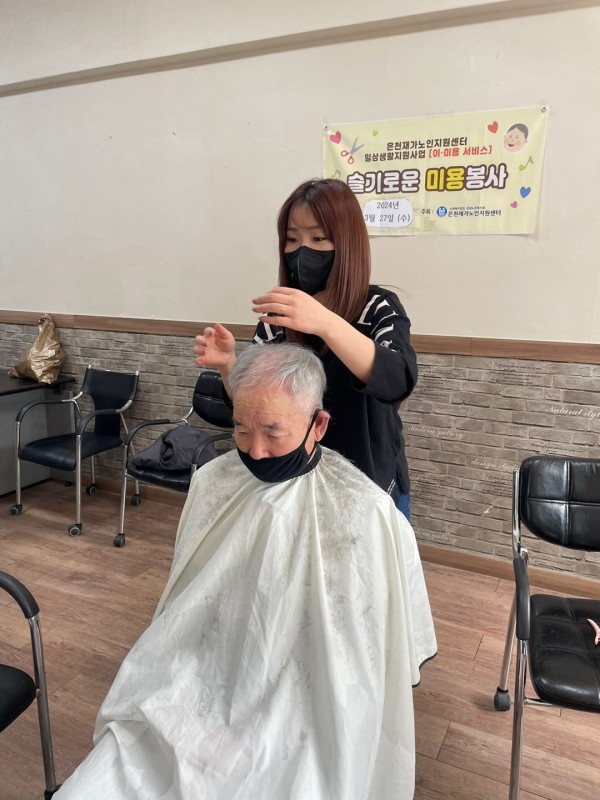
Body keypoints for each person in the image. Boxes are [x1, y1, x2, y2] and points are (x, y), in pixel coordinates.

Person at [53, 343, 436, 800]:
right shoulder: (213, 482)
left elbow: (373, 642)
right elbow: (186, 603)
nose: (255, 450)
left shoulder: (366, 511)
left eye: (273, 432)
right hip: (203, 676)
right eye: (240, 429)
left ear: (318, 425)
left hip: (306, 702)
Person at [194, 178, 418, 520]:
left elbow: (397, 380)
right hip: (293, 480)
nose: (302, 251)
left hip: (368, 482)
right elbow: (253, 402)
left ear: (347, 244)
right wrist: (228, 365)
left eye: (318, 238)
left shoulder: (378, 308)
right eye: (292, 239)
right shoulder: (278, 317)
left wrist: (326, 322)